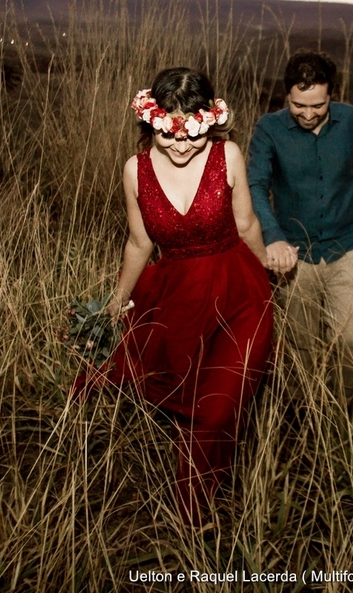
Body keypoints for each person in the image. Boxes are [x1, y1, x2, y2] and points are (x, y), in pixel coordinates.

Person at [79, 67, 273, 525]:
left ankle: (194, 512)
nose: (182, 146)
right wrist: (117, 300)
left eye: (194, 135)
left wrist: (267, 279)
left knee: (217, 408)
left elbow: (246, 224)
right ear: (151, 123)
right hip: (177, 298)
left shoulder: (228, 155)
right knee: (173, 389)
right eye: (169, 135)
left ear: (211, 122)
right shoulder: (136, 170)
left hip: (239, 295)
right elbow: (139, 242)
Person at [247, 49, 353, 404]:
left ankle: (341, 411)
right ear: (287, 95)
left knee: (350, 337)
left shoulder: (350, 119)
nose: (308, 114)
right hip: (295, 254)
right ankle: (302, 410)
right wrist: (273, 238)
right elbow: (255, 186)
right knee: (300, 341)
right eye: (299, 105)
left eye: (318, 105)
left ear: (332, 96)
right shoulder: (268, 128)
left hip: (349, 245)